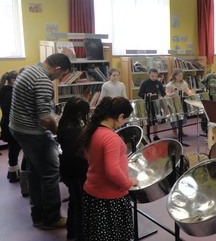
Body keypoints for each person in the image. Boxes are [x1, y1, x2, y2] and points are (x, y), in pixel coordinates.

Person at [10, 53, 71, 229]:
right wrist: (59, 134)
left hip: (18, 128)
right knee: (51, 172)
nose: (59, 78)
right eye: (61, 75)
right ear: (57, 68)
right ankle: (51, 218)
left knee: (35, 172)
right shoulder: (43, 80)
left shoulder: (29, 70)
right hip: (33, 133)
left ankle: (38, 216)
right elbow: (45, 118)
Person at [77, 96, 138, 241]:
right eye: (125, 119)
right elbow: (112, 171)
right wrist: (129, 183)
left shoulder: (92, 130)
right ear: (120, 116)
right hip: (110, 196)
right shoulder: (111, 137)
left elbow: (89, 156)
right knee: (114, 236)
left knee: (98, 235)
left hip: (93, 191)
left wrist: (121, 159)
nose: (124, 123)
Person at [57, 96, 90, 241]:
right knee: (80, 205)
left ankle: (72, 232)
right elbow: (73, 154)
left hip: (69, 171)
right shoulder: (72, 130)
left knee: (75, 203)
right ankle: (79, 235)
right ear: (78, 113)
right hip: (75, 173)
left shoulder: (66, 124)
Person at [1, 70, 22, 183]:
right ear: (13, 80)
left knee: (13, 149)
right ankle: (14, 174)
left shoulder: (3, 90)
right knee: (14, 149)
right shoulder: (11, 93)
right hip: (12, 123)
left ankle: (12, 172)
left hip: (6, 122)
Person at [138, 68, 166, 140]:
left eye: (155, 76)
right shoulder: (145, 83)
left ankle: (155, 136)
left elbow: (163, 93)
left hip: (155, 103)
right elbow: (140, 93)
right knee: (146, 121)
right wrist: (147, 95)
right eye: (152, 76)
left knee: (155, 120)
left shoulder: (158, 83)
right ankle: (144, 136)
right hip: (146, 103)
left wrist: (167, 96)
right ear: (149, 75)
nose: (154, 78)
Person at [165, 68, 195, 138]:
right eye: (179, 76)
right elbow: (167, 95)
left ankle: (181, 131)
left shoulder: (184, 83)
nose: (180, 77)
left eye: (181, 76)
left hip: (181, 102)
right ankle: (174, 132)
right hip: (173, 102)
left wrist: (191, 93)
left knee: (181, 117)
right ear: (174, 76)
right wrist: (171, 94)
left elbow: (188, 91)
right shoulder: (170, 85)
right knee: (174, 118)